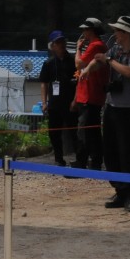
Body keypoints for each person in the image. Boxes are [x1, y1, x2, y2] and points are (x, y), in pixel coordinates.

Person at [95, 15, 130, 213]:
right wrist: (89, 67)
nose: (115, 34)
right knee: (110, 152)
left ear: (127, 33)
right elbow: (101, 62)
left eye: (118, 31)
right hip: (111, 107)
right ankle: (119, 190)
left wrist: (108, 60)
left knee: (128, 153)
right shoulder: (114, 50)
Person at [71, 17, 107, 171]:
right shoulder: (96, 45)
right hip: (89, 94)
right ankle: (94, 161)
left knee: (84, 131)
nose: (83, 32)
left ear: (92, 30)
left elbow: (78, 64)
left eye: (85, 29)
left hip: (90, 95)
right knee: (92, 130)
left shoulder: (96, 45)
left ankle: (82, 161)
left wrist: (78, 48)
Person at [39, 30, 77, 167]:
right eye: (58, 42)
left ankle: (80, 158)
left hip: (71, 102)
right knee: (54, 133)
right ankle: (58, 158)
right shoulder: (48, 63)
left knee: (75, 131)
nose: (61, 44)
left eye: (62, 41)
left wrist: (76, 100)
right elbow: (44, 83)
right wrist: (44, 102)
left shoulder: (74, 61)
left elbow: (79, 81)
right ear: (52, 46)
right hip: (54, 104)